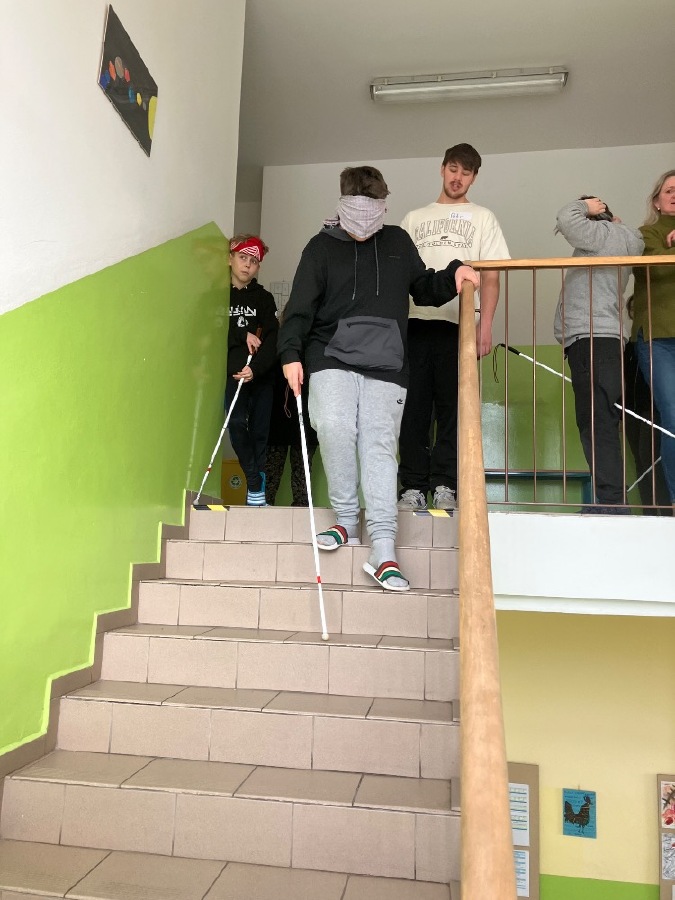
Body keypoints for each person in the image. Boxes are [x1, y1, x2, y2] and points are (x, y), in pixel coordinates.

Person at [277, 165, 479, 592]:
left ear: (384, 206)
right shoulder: (320, 247)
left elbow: (423, 287)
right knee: (334, 427)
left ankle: (384, 548)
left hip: (386, 362)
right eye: (358, 208)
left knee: (379, 446)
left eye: (374, 207)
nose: (365, 217)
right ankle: (346, 519)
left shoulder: (397, 242)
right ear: (342, 205)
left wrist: (454, 274)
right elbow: (299, 307)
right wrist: (290, 355)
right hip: (329, 354)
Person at [397, 143, 510, 511]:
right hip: (414, 325)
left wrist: (485, 326)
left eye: (466, 172)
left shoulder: (483, 217)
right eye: (453, 169)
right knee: (413, 410)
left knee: (453, 409)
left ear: (474, 178)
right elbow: (398, 278)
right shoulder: (413, 219)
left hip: (460, 327)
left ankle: (445, 484)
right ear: (442, 169)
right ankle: (412, 486)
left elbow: (491, 277)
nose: (458, 177)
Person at [553, 196, 643, 512]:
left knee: (595, 421)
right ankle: (611, 499)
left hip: (592, 338)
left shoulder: (601, 235)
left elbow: (566, 218)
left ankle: (611, 502)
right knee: (600, 419)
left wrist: (587, 207)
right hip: (602, 340)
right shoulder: (618, 238)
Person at [631, 170, 675, 509]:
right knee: (673, 416)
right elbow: (656, 270)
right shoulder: (645, 234)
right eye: (670, 190)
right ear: (657, 201)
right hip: (657, 338)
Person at [226, 234, 278, 506]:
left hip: (260, 377)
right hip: (232, 375)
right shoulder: (218, 294)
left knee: (259, 433)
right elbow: (213, 330)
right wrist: (241, 333)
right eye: (242, 258)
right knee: (235, 423)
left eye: (254, 261)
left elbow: (272, 339)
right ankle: (254, 480)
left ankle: (255, 493)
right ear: (230, 259)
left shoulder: (264, 299)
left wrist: (255, 370)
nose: (247, 265)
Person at [265, 362, 318, 506]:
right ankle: (263, 506)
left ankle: (302, 508)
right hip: (276, 411)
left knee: (302, 468)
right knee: (272, 467)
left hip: (306, 412)